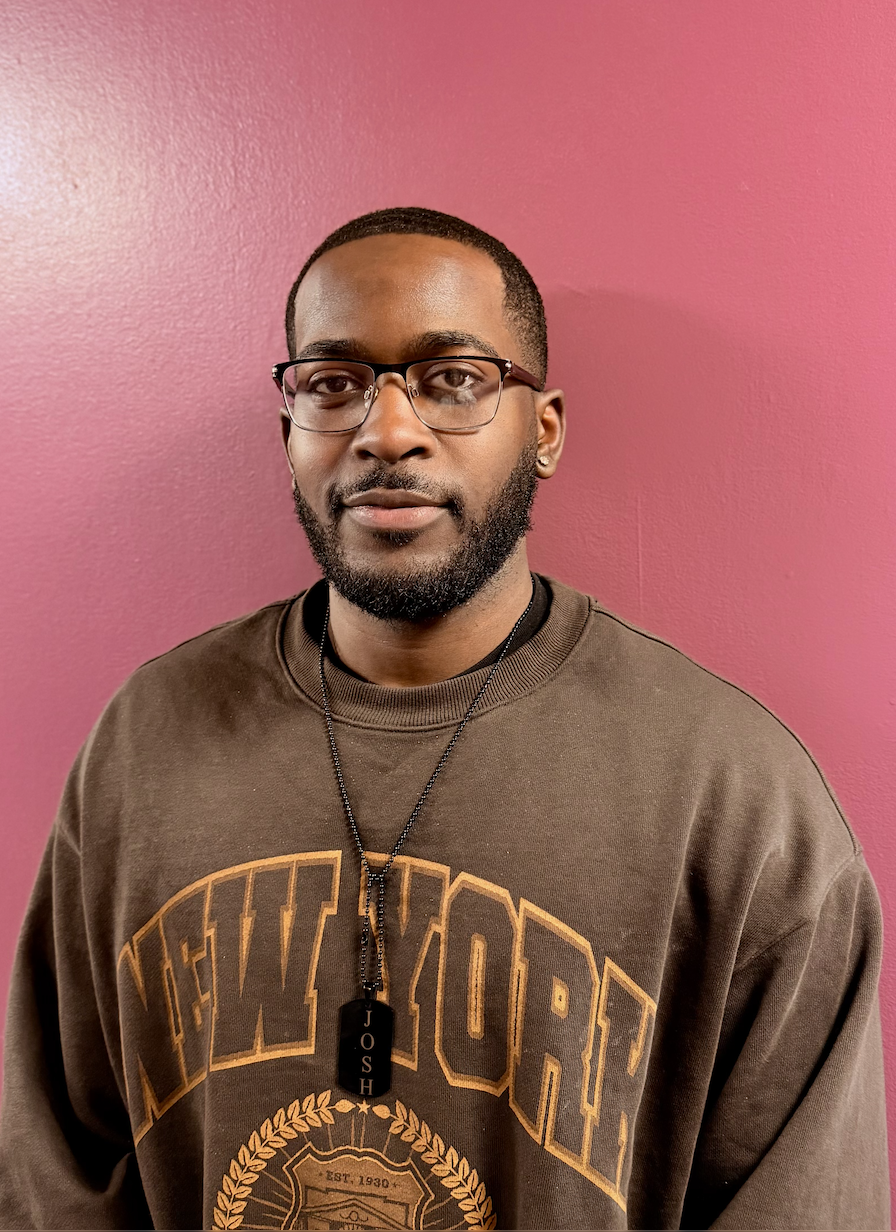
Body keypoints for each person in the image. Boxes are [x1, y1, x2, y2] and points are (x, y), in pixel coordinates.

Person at [0, 206, 888, 1231]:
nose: (386, 430)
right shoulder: (145, 744)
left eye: (451, 378)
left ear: (542, 429)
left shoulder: (735, 799)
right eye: (331, 383)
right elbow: (51, 1169)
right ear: (288, 426)